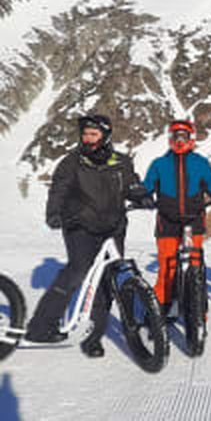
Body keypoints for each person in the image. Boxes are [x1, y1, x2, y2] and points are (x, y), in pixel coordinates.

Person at [25, 114, 148, 358]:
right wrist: (54, 214)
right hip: (80, 227)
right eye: (85, 134)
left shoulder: (121, 162)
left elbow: (132, 185)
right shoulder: (71, 162)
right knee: (78, 271)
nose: (88, 139)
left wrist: (141, 195)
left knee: (107, 281)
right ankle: (40, 328)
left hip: (114, 227)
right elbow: (58, 192)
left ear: (105, 136)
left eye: (93, 134)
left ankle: (93, 338)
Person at [141, 119, 211, 317]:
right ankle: (161, 309)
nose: (180, 140)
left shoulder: (199, 163)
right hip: (167, 220)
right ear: (170, 138)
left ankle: (198, 310)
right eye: (176, 136)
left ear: (192, 138)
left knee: (195, 265)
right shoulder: (159, 164)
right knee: (167, 266)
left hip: (194, 219)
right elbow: (146, 186)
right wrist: (144, 197)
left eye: (184, 136)